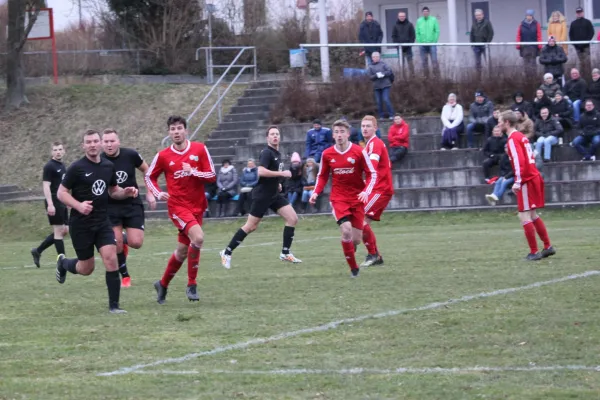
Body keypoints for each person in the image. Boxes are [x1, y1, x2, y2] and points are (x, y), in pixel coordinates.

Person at [55, 130, 139, 313]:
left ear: (100, 143)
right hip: (81, 224)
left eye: (95, 141)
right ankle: (63, 263)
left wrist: (125, 192)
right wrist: (78, 205)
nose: (92, 145)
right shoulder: (76, 168)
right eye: (88, 142)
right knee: (86, 268)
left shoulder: (108, 166)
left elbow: (113, 191)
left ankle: (114, 307)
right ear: (83, 146)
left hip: (102, 221)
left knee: (111, 259)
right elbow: (61, 193)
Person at [145, 115, 216, 304]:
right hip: (177, 207)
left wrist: (193, 171)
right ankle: (192, 284)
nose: (176, 132)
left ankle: (162, 284)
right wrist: (158, 193)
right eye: (172, 129)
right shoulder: (163, 156)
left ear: (186, 130)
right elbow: (149, 177)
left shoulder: (200, 149)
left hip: (197, 206)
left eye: (179, 128)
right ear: (169, 133)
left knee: (183, 251)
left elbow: (211, 176)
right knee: (199, 238)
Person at [220, 125, 301, 269]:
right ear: (267, 137)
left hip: (273, 194)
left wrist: (277, 183)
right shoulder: (266, 153)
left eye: (277, 134)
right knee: (251, 226)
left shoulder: (277, 153)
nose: (275, 136)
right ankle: (226, 252)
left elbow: (271, 173)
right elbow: (261, 171)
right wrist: (281, 174)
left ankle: (285, 252)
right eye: (272, 134)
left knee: (292, 218)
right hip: (262, 195)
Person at [309, 119, 378, 277]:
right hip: (338, 199)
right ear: (333, 135)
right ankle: (354, 269)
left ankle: (351, 250)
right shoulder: (327, 154)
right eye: (336, 132)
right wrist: (315, 192)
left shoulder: (359, 152)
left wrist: (366, 191)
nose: (339, 135)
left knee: (356, 239)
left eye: (342, 132)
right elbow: (322, 176)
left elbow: (371, 173)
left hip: (357, 199)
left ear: (348, 134)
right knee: (346, 231)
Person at [101, 129, 155, 288]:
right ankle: (125, 275)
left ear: (118, 141)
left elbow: (147, 169)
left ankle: (123, 238)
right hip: (110, 207)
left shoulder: (130, 155)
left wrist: (150, 192)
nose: (109, 144)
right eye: (106, 142)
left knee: (136, 243)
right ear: (102, 144)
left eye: (112, 141)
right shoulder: (99, 161)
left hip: (132, 204)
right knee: (115, 243)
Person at [498, 111, 555, 260]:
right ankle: (547, 246)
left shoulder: (512, 139)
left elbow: (519, 162)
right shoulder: (521, 136)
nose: (498, 124)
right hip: (533, 176)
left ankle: (534, 252)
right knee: (532, 215)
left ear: (507, 123)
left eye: (500, 121)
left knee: (524, 216)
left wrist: (517, 182)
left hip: (526, 179)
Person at [359, 116, 394, 267]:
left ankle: (373, 254)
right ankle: (375, 256)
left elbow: (371, 166)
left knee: (358, 219)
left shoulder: (375, 144)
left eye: (368, 126)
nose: (365, 128)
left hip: (380, 189)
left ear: (375, 128)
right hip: (377, 188)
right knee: (361, 222)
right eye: (363, 126)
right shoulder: (369, 145)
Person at [31, 142, 69, 268]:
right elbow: (46, 186)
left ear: (64, 151)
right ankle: (62, 261)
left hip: (62, 202)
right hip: (54, 201)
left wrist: (68, 201)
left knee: (65, 230)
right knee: (58, 232)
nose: (58, 151)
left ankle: (38, 251)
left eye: (60, 149)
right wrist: (50, 204)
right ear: (51, 152)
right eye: (55, 149)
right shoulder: (49, 166)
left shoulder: (63, 166)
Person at [368, 52, 395, 120]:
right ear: (372, 58)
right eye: (374, 57)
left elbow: (389, 71)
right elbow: (370, 77)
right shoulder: (370, 66)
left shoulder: (383, 64)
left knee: (385, 99)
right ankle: (381, 116)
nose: (376, 58)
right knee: (378, 101)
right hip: (376, 86)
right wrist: (376, 75)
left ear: (379, 57)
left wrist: (383, 74)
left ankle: (392, 114)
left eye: (377, 56)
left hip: (385, 85)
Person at [569, 7, 594, 78]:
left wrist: (585, 43)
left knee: (587, 63)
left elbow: (591, 33)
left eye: (580, 12)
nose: (579, 14)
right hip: (577, 48)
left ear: (583, 13)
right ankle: (580, 77)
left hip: (586, 47)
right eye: (578, 12)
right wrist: (576, 45)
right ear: (576, 13)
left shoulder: (587, 22)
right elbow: (571, 35)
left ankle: (588, 77)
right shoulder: (573, 23)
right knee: (579, 64)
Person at [415, 6, 440, 77]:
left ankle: (437, 78)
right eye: (424, 12)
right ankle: (426, 77)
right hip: (422, 44)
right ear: (422, 13)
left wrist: (434, 41)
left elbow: (437, 31)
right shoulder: (419, 21)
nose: (425, 13)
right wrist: (419, 41)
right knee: (424, 62)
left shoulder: (433, 19)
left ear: (429, 12)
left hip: (432, 44)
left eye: (426, 12)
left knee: (434, 61)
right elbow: (417, 32)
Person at [516, 10, 542, 74]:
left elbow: (539, 35)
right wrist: (518, 45)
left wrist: (539, 45)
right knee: (526, 64)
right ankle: (527, 78)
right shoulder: (521, 24)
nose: (529, 17)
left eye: (530, 15)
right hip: (524, 47)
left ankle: (533, 77)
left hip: (533, 47)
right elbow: (518, 35)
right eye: (527, 15)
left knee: (533, 63)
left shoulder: (536, 24)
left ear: (532, 16)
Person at [391, 11, 416, 77]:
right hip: (399, 48)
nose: (402, 17)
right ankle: (402, 77)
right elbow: (393, 36)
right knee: (401, 63)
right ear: (398, 17)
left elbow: (412, 35)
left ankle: (412, 77)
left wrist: (410, 44)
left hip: (408, 47)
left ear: (405, 16)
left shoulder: (410, 25)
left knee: (410, 62)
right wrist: (397, 45)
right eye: (400, 16)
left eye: (403, 16)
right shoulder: (395, 25)